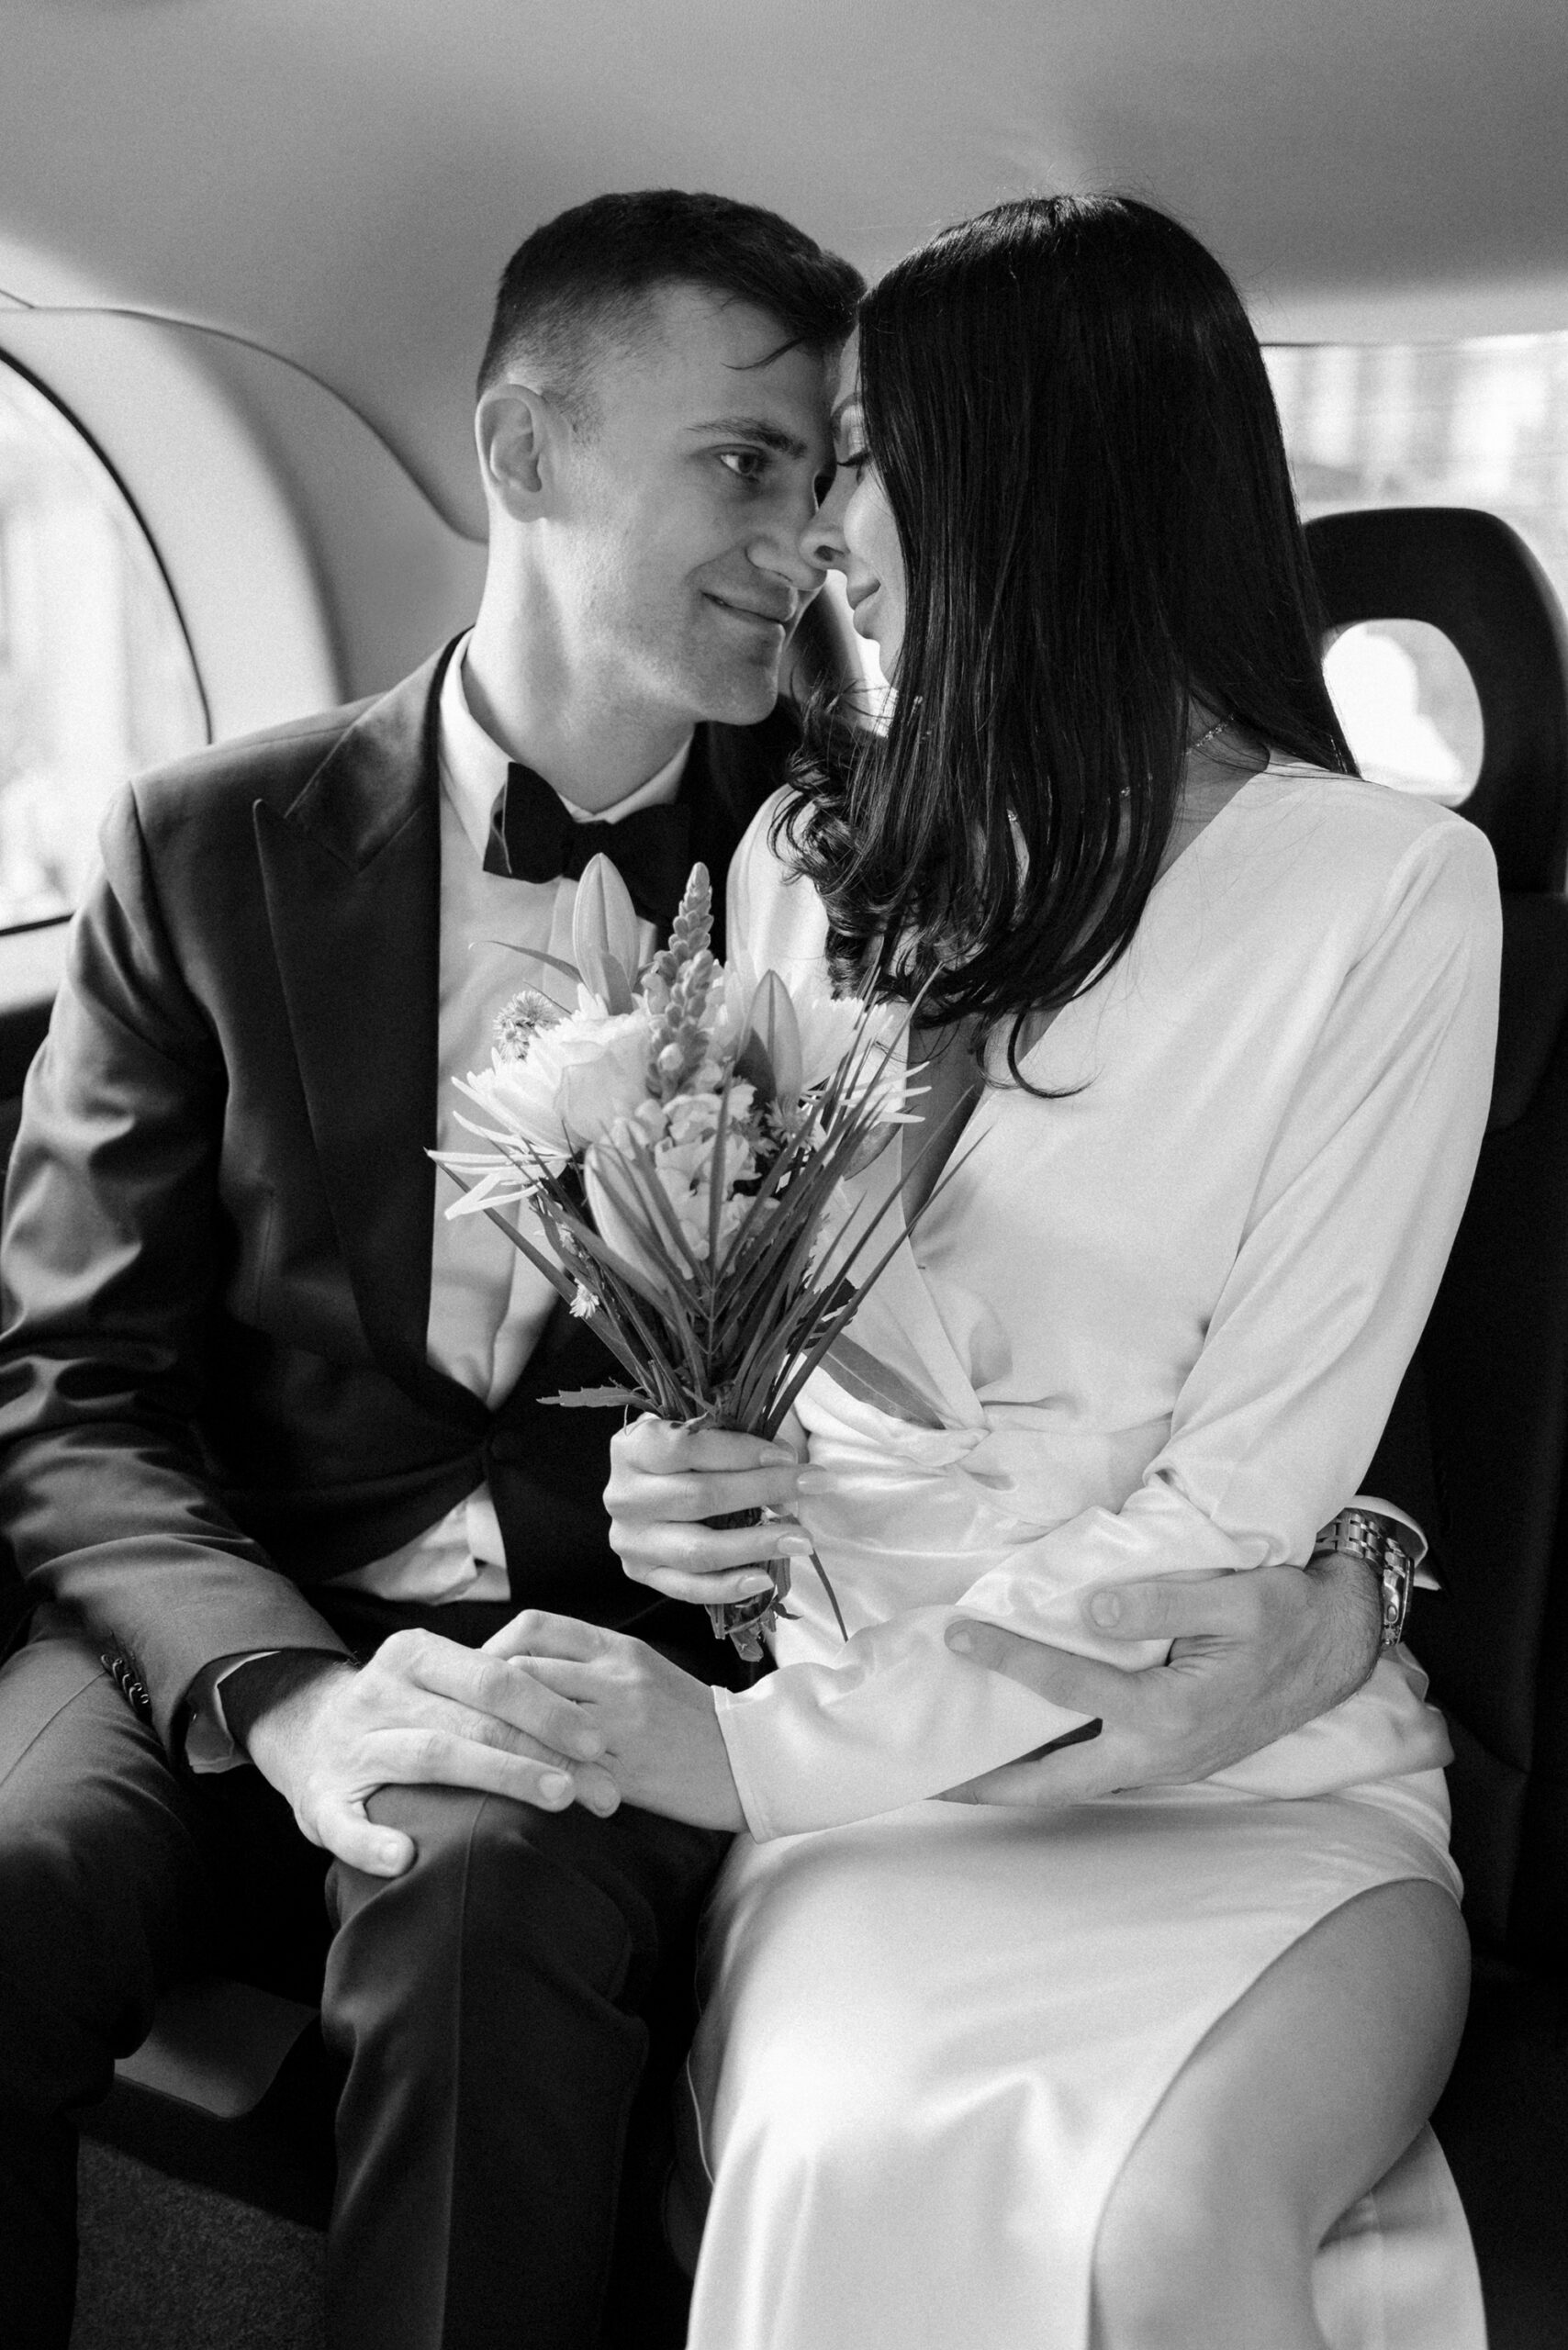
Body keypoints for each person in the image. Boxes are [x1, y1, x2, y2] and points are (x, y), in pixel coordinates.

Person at [496, 194, 1500, 2348]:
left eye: (863, 454)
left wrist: (752, 1752)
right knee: (858, 2140)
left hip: (1247, 1778)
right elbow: (773, 1405)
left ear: (1036, 478)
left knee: (1178, 2237)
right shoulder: (795, 868)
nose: (816, 526)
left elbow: (1232, 1522)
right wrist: (690, 1497)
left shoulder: (1391, 896)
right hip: (887, 1814)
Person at [0, 188, 861, 2350]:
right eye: (748, 462)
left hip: (596, 1664)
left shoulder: (861, 876)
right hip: (212, 1615)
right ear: (523, 455)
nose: (808, 536)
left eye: (830, 475)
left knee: (475, 1930)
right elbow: (72, 1390)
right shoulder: (201, 844)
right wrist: (285, 1698)